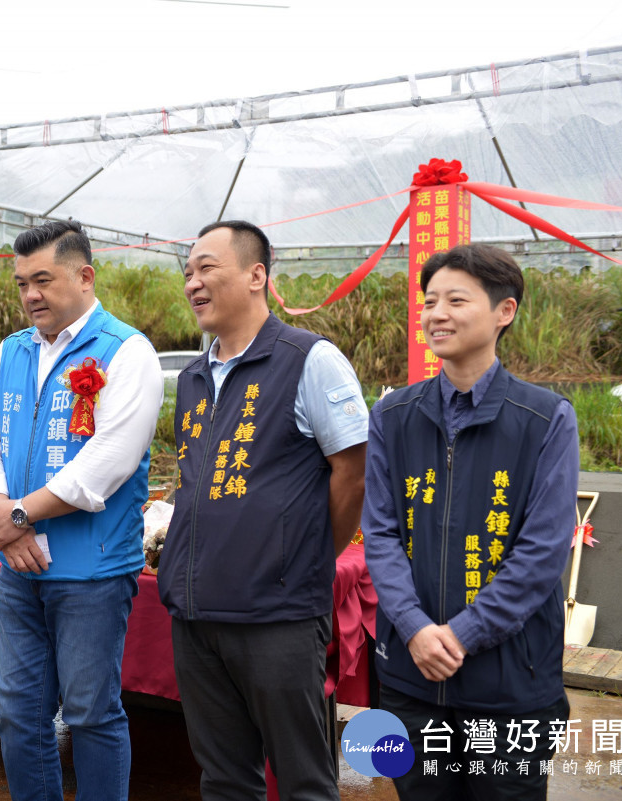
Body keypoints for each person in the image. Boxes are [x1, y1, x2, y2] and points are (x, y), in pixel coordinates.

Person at [157, 220, 367, 801]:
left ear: (257, 275)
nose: (193, 282)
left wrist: (303, 556)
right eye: (188, 272)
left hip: (277, 615)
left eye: (207, 268)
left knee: (302, 779)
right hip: (196, 614)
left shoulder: (309, 359)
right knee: (224, 779)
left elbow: (354, 473)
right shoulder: (195, 376)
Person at [362, 244, 579, 800]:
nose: (437, 313)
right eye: (429, 301)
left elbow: (543, 552)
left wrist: (460, 634)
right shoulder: (392, 415)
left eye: (456, 300)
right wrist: (412, 628)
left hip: (510, 684)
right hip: (411, 679)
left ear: (503, 311)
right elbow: (381, 533)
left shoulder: (545, 418)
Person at [0, 220, 163, 801]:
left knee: (91, 713)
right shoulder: (13, 351)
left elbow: (111, 459)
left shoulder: (126, 351)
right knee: (17, 712)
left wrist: (17, 516)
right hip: (19, 570)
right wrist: (5, 519)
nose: (30, 295)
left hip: (91, 571)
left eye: (42, 280)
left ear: (84, 275)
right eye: (22, 282)